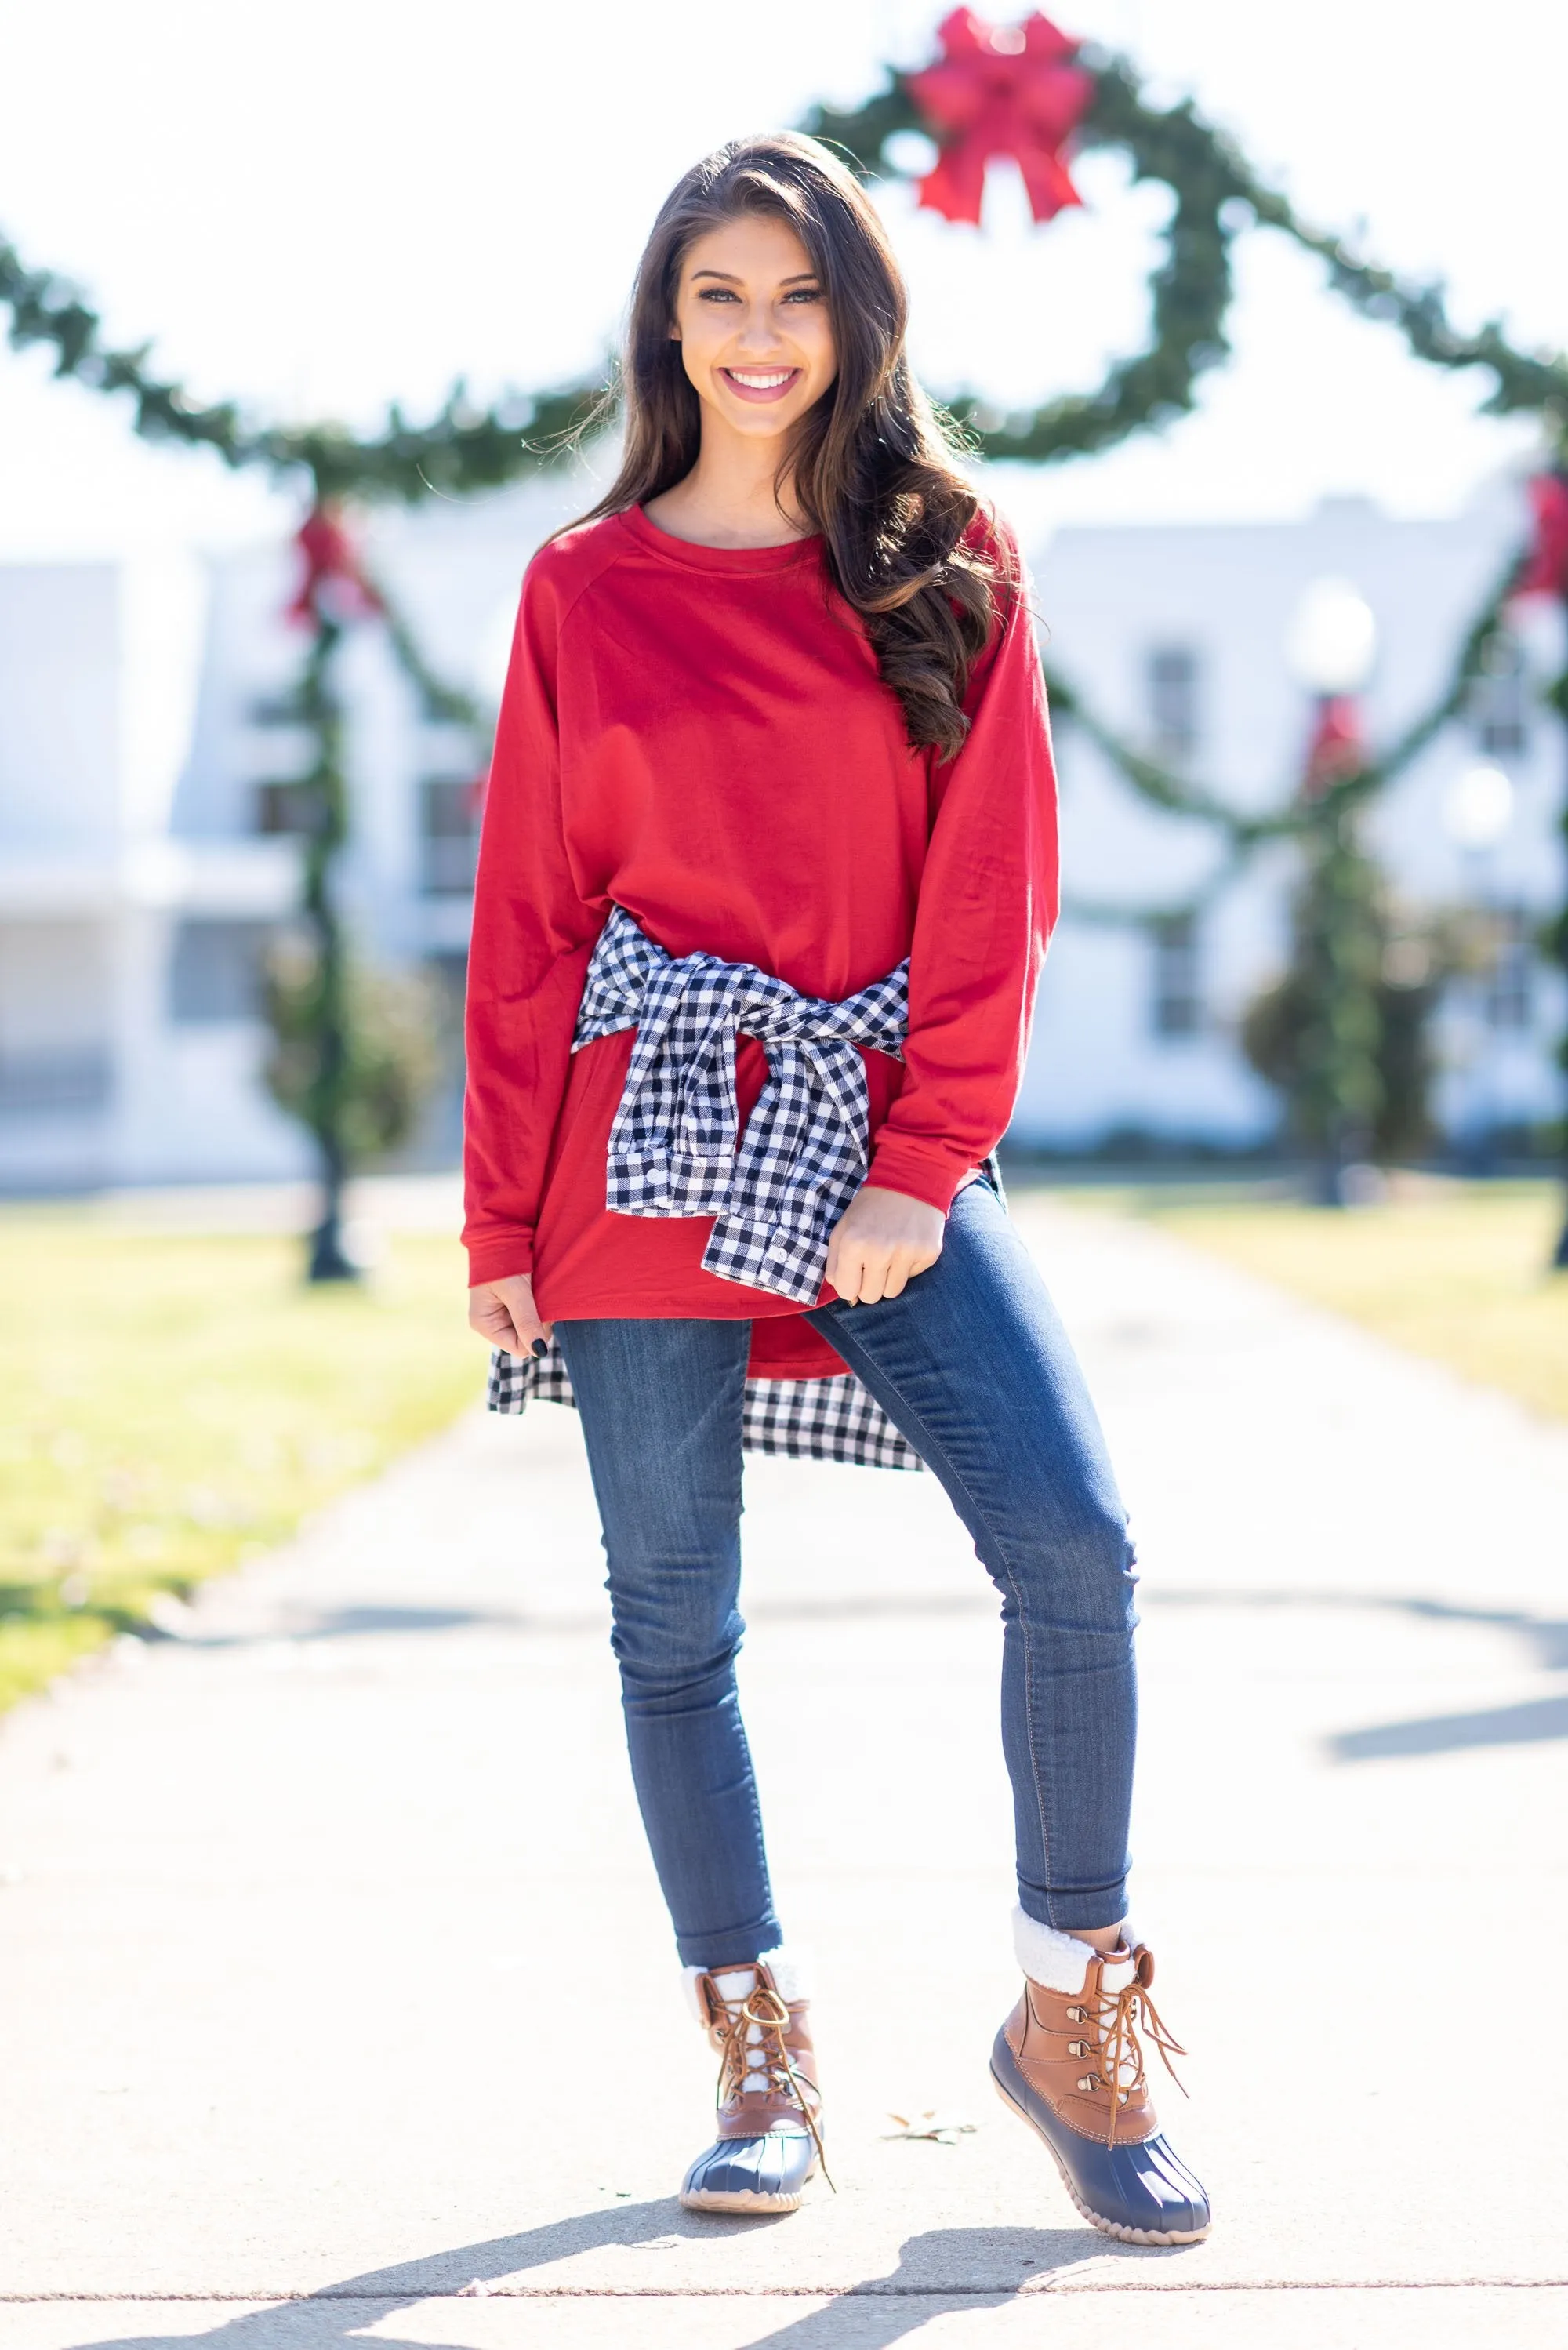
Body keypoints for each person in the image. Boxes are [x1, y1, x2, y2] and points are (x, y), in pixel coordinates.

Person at [463, 130, 1209, 2246]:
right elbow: (528, 907)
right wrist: (495, 1217)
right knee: (673, 1623)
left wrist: (921, 1157)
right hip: (632, 1151)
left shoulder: (948, 557)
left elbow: (998, 889)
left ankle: (1072, 2010)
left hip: (878, 1125)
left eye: (800, 296)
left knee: (1074, 1539)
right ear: (666, 323)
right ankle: (758, 2053)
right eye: (721, 295)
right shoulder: (578, 590)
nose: (762, 337)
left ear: (859, 319)